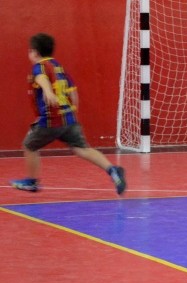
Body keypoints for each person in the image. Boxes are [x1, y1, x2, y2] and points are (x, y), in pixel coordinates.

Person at [10, 33, 126, 194]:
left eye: (30, 51)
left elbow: (41, 78)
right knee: (81, 148)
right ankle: (113, 170)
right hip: (69, 118)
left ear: (34, 52)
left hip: (51, 121)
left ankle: (32, 182)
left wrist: (48, 91)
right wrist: (73, 112)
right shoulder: (59, 67)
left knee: (29, 146)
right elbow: (73, 92)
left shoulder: (40, 67)